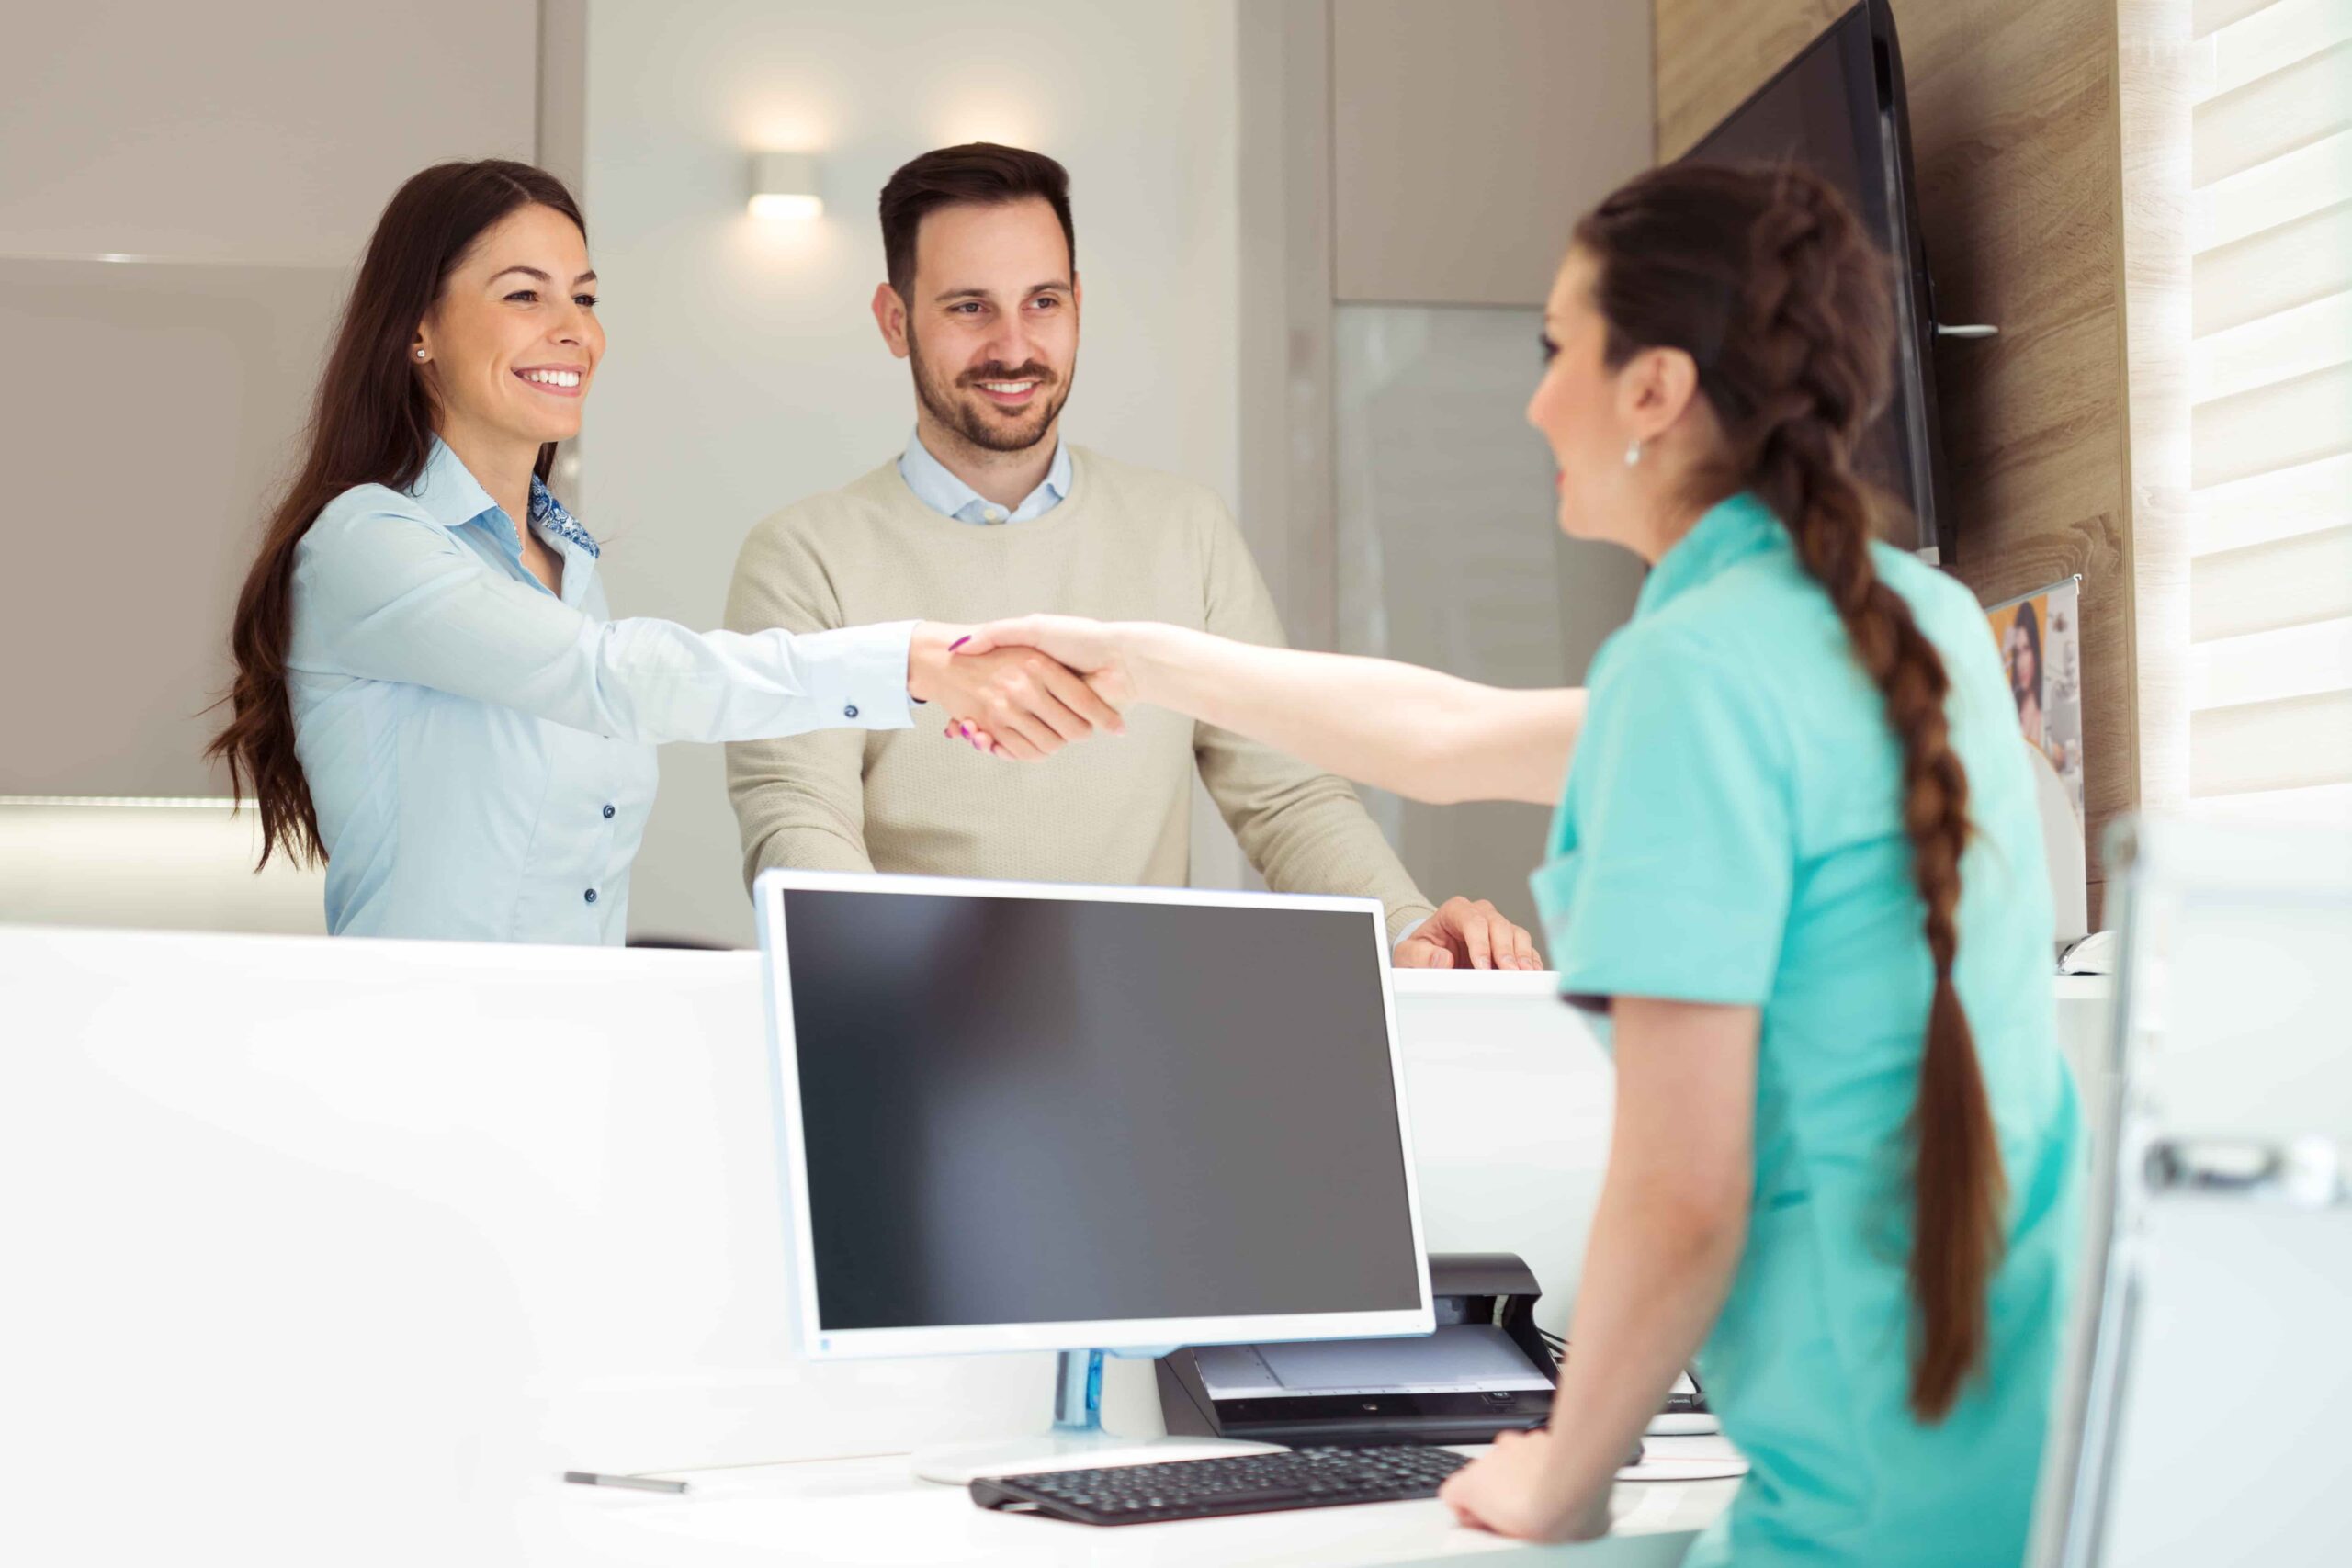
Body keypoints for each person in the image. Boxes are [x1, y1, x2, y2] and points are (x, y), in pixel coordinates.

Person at [954, 163, 2083, 1565]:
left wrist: (1564, 1474)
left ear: (1655, 388)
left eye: (1558, 351)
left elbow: (1683, 1188)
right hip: (2030, 1456)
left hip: (1861, 1498)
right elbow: (1446, 732)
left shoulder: (1698, 668)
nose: (1536, 397)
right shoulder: (1914, 624)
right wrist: (1145, 657)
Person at [206, 160, 1110, 943]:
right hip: (424, 1054)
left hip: (573, 1056)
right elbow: (610, 675)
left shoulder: (564, 560)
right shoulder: (368, 543)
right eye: (524, 294)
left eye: (584, 297)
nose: (574, 329)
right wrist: (910, 661)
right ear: (419, 329)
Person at [723, 143, 1536, 970]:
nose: (1014, 346)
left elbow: (1287, 792)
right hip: (912, 1029)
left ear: (1078, 303)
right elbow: (799, 819)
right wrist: (883, 991)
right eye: (970, 308)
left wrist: (1405, 929)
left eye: (1042, 301)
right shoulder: (803, 556)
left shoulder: (1187, 532)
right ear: (896, 321)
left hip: (1143, 1035)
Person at [2005, 599, 2046, 750]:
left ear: (2035, 651)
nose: (2021, 663)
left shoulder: (2039, 717)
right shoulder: (2013, 705)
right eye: (2017, 653)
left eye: (2026, 648)